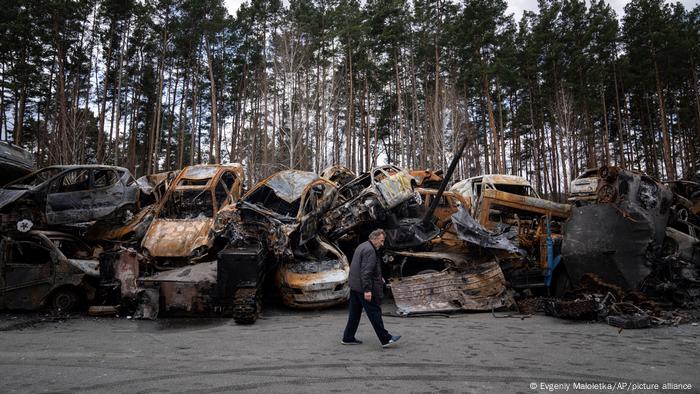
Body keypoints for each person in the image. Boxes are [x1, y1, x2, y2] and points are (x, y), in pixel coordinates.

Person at [341, 229, 401, 348]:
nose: (382, 244)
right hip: (364, 288)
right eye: (381, 241)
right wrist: (367, 290)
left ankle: (348, 338)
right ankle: (386, 339)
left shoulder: (362, 246)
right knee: (375, 313)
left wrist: (380, 278)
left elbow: (362, 268)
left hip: (355, 287)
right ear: (375, 238)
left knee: (354, 314)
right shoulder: (370, 251)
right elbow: (366, 272)